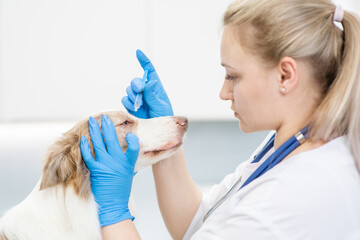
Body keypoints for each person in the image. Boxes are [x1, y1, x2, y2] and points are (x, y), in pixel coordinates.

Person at [80, 0, 360, 239]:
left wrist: (114, 213)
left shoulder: (293, 196)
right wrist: (164, 132)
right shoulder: (289, 145)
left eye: (233, 76)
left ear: (285, 75)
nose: (223, 93)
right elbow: (195, 221)